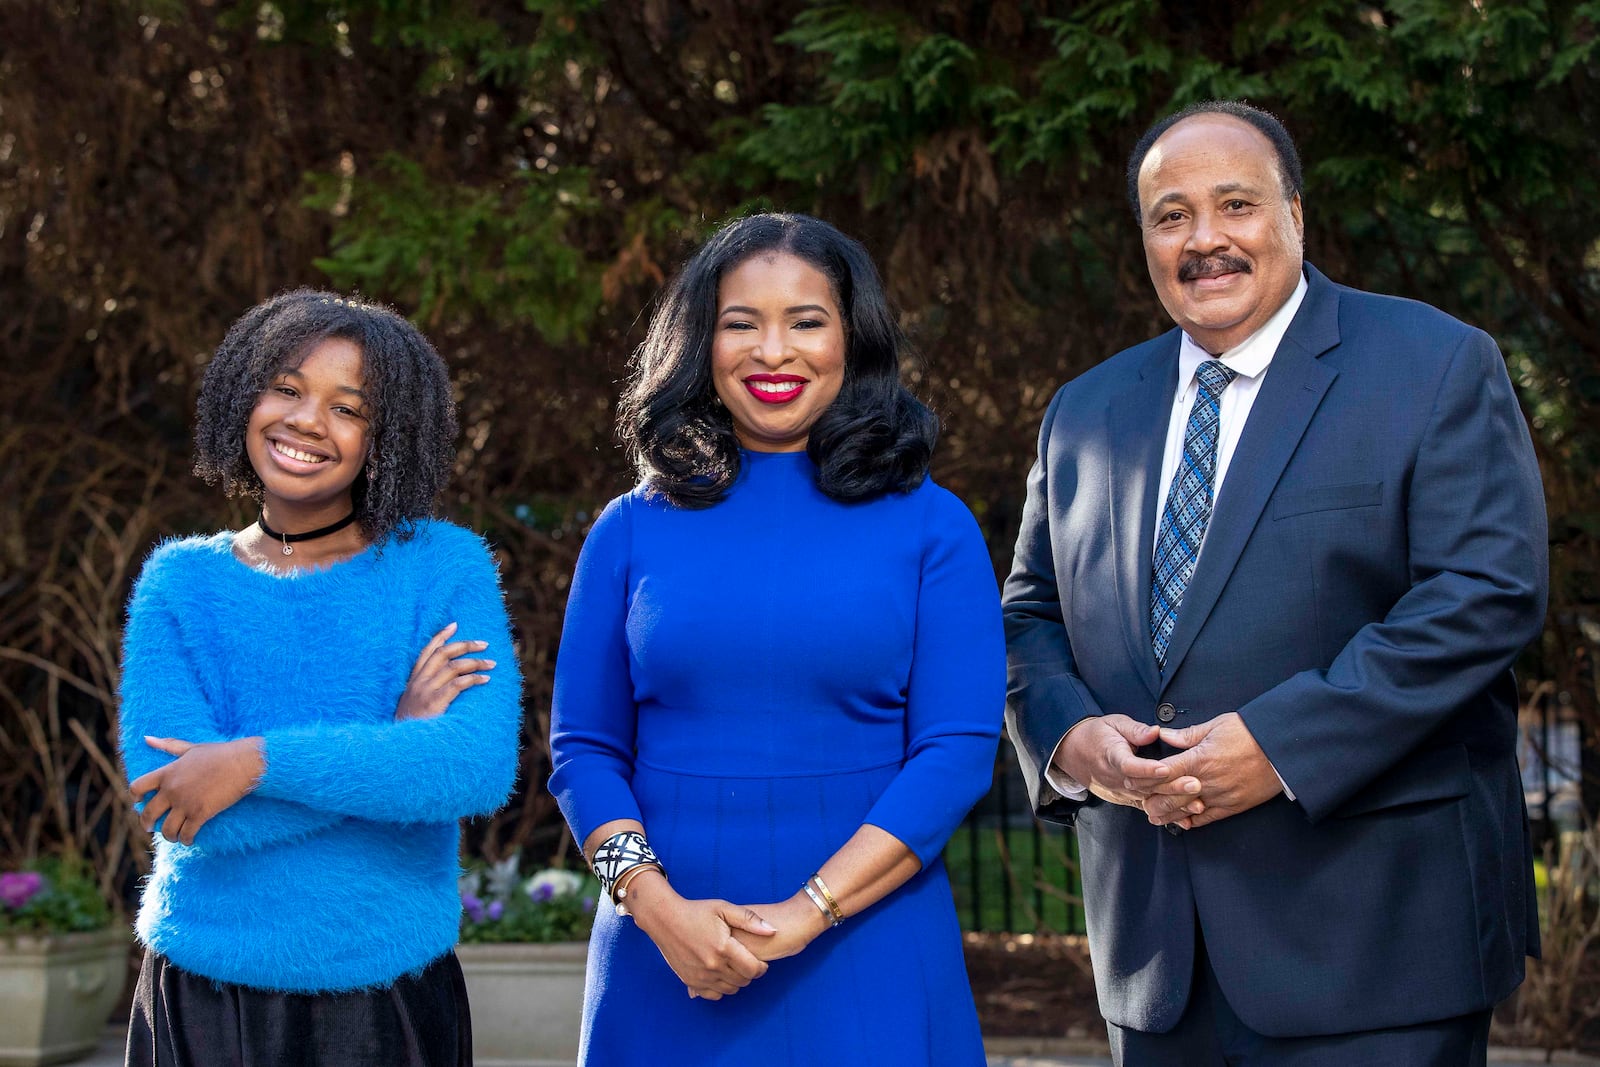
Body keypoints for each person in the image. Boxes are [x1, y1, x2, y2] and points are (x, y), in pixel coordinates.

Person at [1003, 100, 1548, 1065]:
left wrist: (1280, 745)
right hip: (1157, 957)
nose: (1205, 238)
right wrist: (1071, 742)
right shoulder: (1084, 412)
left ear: (1297, 214)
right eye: (1171, 215)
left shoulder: (1433, 364)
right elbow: (1032, 613)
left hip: (1377, 946)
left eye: (1236, 205)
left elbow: (1483, 592)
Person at [548, 212, 1005, 1065]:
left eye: (806, 321)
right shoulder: (628, 529)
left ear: (852, 339)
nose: (773, 351)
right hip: (665, 953)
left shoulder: (933, 527)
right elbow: (583, 751)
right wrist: (654, 907)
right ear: (700, 344)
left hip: (868, 946)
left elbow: (955, 751)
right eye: (741, 322)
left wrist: (807, 913)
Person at [118, 290, 522, 1066]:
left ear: (386, 436)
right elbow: (181, 806)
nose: (306, 421)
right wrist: (391, 745)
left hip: (385, 1001)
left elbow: (470, 768)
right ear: (246, 393)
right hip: (205, 994)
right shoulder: (180, 583)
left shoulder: (441, 567)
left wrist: (247, 762)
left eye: (349, 408)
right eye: (288, 388)